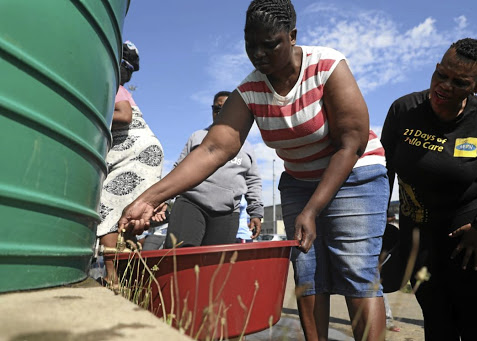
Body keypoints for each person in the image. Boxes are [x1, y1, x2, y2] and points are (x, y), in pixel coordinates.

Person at [118, 1, 389, 340]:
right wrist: (149, 198)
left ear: (292, 36)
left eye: (270, 44)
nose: (258, 54)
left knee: (356, 271)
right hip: (301, 181)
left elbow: (352, 141)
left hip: (354, 176)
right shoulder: (249, 91)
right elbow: (214, 149)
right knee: (308, 273)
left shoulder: (327, 66)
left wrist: (313, 209)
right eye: (250, 44)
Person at [381, 38, 477, 341]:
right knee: (436, 320)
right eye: (441, 74)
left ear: (476, 87)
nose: (444, 86)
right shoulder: (403, 110)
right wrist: (379, 229)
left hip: (470, 240)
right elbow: (384, 171)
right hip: (418, 236)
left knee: (476, 321)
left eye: (459, 82)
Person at [95, 40, 164, 281]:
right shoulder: (118, 86)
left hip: (137, 154)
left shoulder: (114, 87)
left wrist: (92, 111)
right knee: (128, 218)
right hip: (143, 153)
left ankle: (112, 278)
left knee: (107, 206)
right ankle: (132, 280)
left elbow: (123, 115)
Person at [163, 91, 264, 248]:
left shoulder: (247, 147)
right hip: (191, 203)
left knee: (216, 266)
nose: (220, 112)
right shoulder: (197, 137)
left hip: (228, 212)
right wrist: (163, 199)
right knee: (178, 260)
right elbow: (178, 170)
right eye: (216, 108)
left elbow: (253, 181)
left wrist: (256, 212)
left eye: (226, 108)